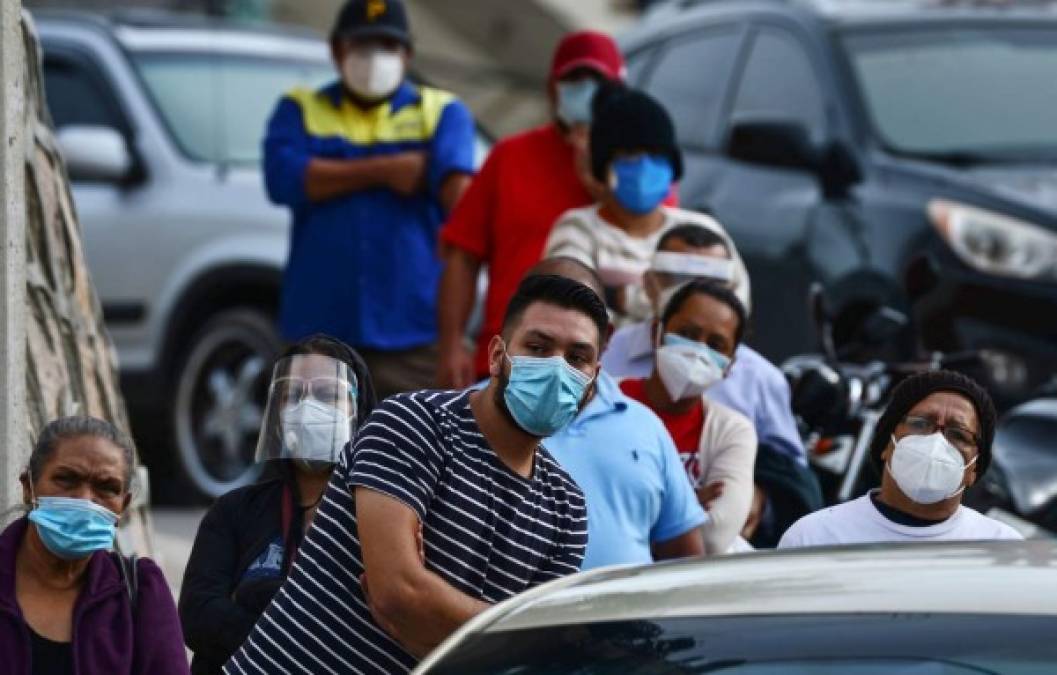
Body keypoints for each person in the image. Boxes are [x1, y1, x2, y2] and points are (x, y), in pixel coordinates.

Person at [224, 274, 603, 674]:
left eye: (576, 358)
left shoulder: (566, 509)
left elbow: (528, 655)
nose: (555, 368)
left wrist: (431, 617)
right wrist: (496, 628)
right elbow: (398, 594)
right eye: (538, 348)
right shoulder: (413, 423)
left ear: (592, 384)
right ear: (496, 356)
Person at [264, 0, 475, 398]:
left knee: (412, 456)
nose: (374, 58)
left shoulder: (442, 112)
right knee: (311, 453)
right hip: (319, 336)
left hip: (414, 336)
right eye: (363, 46)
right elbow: (285, 181)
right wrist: (390, 170)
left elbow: (460, 204)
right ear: (337, 50)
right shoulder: (300, 109)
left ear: (407, 55)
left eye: (387, 46)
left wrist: (333, 174)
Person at [436, 31, 631, 389]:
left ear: (619, 87)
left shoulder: (640, 164)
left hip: (604, 371)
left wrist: (599, 182)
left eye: (597, 81)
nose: (585, 90)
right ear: (552, 88)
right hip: (508, 360)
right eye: (574, 80)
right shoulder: (511, 156)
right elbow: (462, 255)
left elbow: (652, 242)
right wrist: (451, 344)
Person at [180, 335, 377, 674]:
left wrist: (254, 608)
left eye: (328, 395)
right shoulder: (234, 511)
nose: (308, 406)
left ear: (358, 411)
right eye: (294, 395)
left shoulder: (381, 514)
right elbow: (198, 615)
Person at [531, 257, 708, 568]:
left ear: (606, 338)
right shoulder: (465, 417)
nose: (557, 364)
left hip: (628, 616)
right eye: (539, 345)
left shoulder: (644, 426)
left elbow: (685, 561)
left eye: (575, 351)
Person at [603, 224, 805, 465]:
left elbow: (788, 473)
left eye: (711, 281)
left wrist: (753, 497)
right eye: (677, 278)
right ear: (648, 283)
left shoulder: (761, 380)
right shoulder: (604, 353)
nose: (692, 291)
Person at [0, 417, 189, 674]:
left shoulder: (141, 591)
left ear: (124, 504)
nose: (85, 500)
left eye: (106, 487)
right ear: (28, 487)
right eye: (66, 479)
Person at [544, 88, 750, 324]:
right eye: (630, 155)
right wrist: (686, 302)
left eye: (655, 155)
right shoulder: (578, 229)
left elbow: (733, 311)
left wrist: (622, 298)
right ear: (604, 168)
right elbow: (576, 311)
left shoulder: (704, 231)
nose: (644, 167)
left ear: (672, 166)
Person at [780, 370, 1022, 548]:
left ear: (974, 469)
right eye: (920, 424)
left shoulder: (1001, 551)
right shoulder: (814, 538)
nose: (936, 441)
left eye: (958, 434)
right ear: (887, 443)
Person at [620, 280, 758, 554]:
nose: (698, 350)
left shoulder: (732, 431)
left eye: (716, 344)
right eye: (686, 333)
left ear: (730, 364)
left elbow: (713, 538)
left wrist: (631, 505)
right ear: (655, 333)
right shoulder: (601, 400)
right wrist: (684, 507)